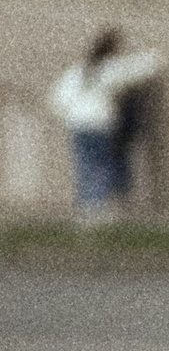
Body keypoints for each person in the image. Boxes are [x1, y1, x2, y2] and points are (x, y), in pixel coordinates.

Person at [49, 28, 161, 221]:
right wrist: (156, 58)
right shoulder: (107, 70)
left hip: (79, 125)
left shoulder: (79, 72)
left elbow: (58, 98)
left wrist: (68, 116)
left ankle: (87, 206)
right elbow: (133, 71)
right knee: (101, 165)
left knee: (85, 165)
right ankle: (98, 209)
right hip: (98, 125)